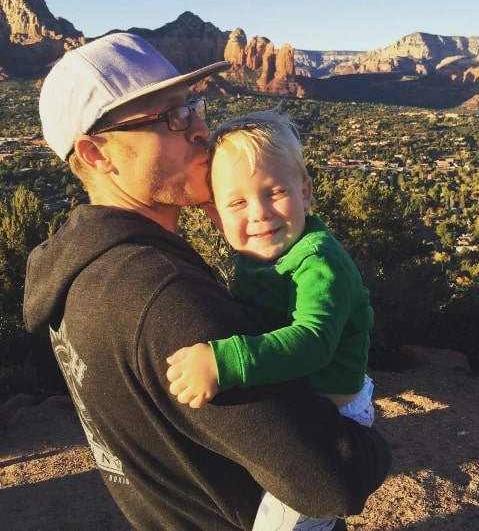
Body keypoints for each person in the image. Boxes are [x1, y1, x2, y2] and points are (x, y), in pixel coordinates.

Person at [22, 32, 391, 531]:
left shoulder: (80, 271)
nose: (201, 129)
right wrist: (371, 449)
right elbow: (332, 481)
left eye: (194, 106)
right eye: (172, 117)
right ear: (96, 154)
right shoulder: (163, 298)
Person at [166, 111, 375, 531]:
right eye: (237, 203)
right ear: (215, 214)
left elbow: (312, 341)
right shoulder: (262, 252)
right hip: (302, 397)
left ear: (306, 191)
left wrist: (224, 361)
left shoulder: (319, 261)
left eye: (275, 192)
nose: (259, 213)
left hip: (334, 412)